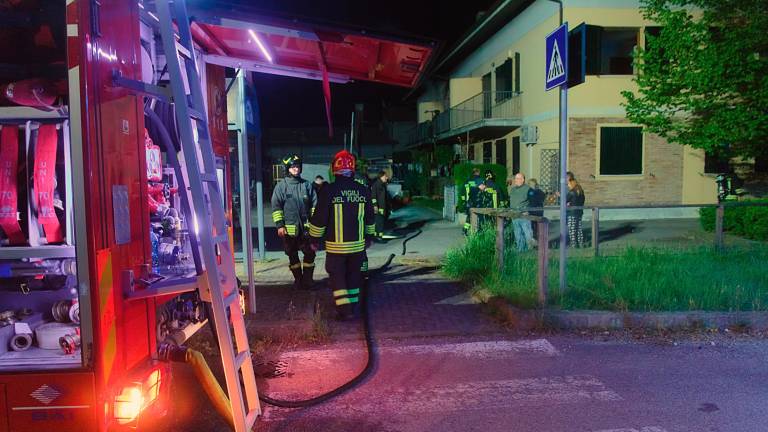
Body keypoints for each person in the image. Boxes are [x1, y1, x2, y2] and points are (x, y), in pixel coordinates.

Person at [308, 150, 376, 321]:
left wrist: (314, 240)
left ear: (334, 170)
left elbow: (320, 219)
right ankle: (352, 308)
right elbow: (370, 218)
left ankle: (344, 310)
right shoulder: (363, 190)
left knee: (337, 276)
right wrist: (369, 237)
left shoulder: (328, 191)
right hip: (358, 247)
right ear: (352, 169)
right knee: (354, 276)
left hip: (336, 248)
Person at [271, 154, 317, 290]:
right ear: (287, 169)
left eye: (297, 166)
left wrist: (315, 223)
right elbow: (276, 207)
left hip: (307, 230)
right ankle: (298, 280)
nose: (296, 169)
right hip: (289, 230)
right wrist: (280, 226)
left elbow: (315, 205)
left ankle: (308, 280)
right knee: (292, 256)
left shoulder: (307, 185)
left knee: (310, 254)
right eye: (292, 167)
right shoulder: (281, 187)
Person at [508, 172, 534, 251]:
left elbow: (533, 201)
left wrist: (528, 210)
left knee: (527, 233)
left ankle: (530, 251)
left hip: (524, 215)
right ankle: (520, 251)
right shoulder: (512, 190)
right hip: (514, 215)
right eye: (515, 178)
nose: (516, 180)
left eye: (518, 178)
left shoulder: (528, 189)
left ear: (523, 180)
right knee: (517, 234)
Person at [566, 171, 586, 248]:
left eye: (568, 184)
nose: (568, 186)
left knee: (572, 229)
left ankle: (574, 244)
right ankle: (581, 243)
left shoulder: (571, 192)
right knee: (579, 228)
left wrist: (568, 204)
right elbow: (582, 201)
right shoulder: (580, 191)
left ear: (572, 183)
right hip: (579, 212)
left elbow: (565, 200)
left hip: (572, 212)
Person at [370, 170, 391, 242]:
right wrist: (375, 206)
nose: (387, 178)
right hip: (379, 207)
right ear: (381, 176)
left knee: (381, 223)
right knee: (379, 223)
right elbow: (373, 196)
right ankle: (378, 237)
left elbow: (385, 197)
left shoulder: (383, 185)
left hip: (383, 207)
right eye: (385, 176)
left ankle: (379, 236)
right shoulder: (376, 185)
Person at [463, 168, 483, 234]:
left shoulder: (468, 180)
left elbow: (462, 191)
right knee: (480, 215)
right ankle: (479, 231)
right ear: (478, 172)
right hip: (477, 200)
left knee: (469, 215)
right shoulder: (480, 180)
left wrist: (464, 200)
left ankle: (465, 229)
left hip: (469, 201)